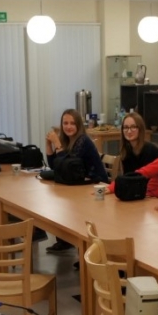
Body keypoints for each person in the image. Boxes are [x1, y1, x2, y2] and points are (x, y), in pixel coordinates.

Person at [45, 108, 108, 253]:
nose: (68, 127)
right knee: (59, 200)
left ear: (78, 125)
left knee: (68, 203)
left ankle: (85, 251)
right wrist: (48, 145)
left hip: (96, 186)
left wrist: (57, 145)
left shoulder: (83, 141)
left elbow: (68, 168)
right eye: (65, 123)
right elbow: (55, 166)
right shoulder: (67, 140)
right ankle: (65, 239)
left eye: (72, 123)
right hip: (79, 184)